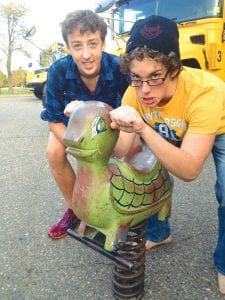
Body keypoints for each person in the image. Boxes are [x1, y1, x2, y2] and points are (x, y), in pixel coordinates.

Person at [109, 15, 225, 294]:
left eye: (154, 77)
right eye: (136, 77)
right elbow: (123, 150)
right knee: (139, 168)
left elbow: (189, 170)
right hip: (164, 127)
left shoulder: (206, 92)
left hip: (218, 128)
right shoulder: (133, 92)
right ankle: (160, 234)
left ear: (174, 69)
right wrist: (106, 128)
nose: (145, 90)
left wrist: (144, 130)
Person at [40, 9, 128, 240]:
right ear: (68, 47)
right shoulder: (58, 70)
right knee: (53, 152)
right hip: (72, 128)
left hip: (110, 126)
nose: (86, 54)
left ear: (103, 43)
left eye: (92, 44)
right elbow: (53, 119)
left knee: (129, 150)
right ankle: (77, 209)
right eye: (77, 46)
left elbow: (128, 114)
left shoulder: (120, 68)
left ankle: (126, 206)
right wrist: (79, 149)